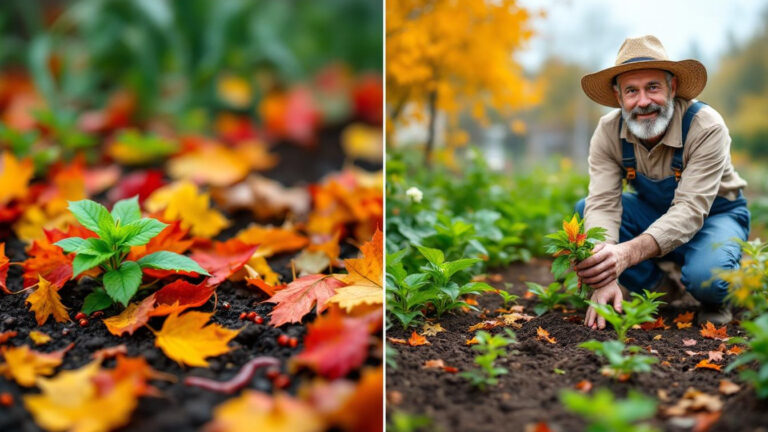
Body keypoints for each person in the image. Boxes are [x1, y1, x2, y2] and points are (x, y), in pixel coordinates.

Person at [574, 35, 749, 329]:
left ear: (673, 88)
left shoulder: (705, 126)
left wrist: (625, 255)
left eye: (653, 87)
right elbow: (602, 203)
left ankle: (719, 290)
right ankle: (660, 289)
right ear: (619, 98)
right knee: (584, 210)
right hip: (653, 212)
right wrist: (606, 273)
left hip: (714, 215)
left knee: (708, 279)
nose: (643, 102)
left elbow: (691, 209)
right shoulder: (607, 131)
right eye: (632, 91)